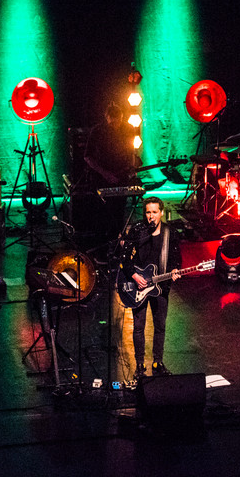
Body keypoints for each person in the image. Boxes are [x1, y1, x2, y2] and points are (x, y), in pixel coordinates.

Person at [120, 196, 181, 381]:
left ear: (161, 213)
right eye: (148, 212)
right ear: (143, 213)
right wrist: (134, 275)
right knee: (138, 327)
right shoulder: (138, 230)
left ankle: (158, 362)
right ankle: (140, 365)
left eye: (155, 212)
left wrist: (176, 270)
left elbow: (176, 257)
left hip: (161, 285)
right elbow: (124, 258)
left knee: (160, 326)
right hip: (139, 286)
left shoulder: (171, 233)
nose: (151, 216)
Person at [83, 103, 136, 238]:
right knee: (102, 214)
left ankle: (116, 241)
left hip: (121, 177)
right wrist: (105, 173)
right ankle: (101, 243)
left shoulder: (128, 129)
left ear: (122, 117)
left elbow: (131, 151)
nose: (116, 125)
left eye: (118, 121)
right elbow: (87, 156)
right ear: (107, 118)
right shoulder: (97, 131)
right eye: (113, 122)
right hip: (101, 178)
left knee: (119, 212)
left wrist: (132, 166)